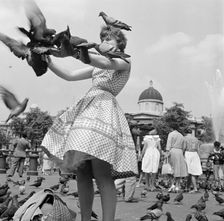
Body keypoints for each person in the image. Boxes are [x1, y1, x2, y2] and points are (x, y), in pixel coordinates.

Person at [41, 25, 138, 221]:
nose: (104, 43)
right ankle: (85, 218)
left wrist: (75, 51)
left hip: (104, 111)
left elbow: (105, 63)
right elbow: (69, 75)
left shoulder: (124, 60)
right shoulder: (96, 66)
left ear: (120, 44)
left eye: (109, 40)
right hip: (87, 111)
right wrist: (47, 59)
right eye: (102, 39)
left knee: (102, 172)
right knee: (82, 170)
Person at [166, 123, 188, 192]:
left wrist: (167, 152)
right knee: (178, 169)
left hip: (173, 150)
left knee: (171, 168)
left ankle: (172, 184)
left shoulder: (171, 134)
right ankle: (178, 185)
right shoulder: (181, 135)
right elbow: (184, 147)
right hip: (180, 152)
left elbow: (168, 144)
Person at [184, 128, 202, 193]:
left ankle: (194, 188)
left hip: (188, 153)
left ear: (185, 132)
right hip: (195, 154)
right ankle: (188, 187)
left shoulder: (185, 138)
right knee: (193, 172)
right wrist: (199, 158)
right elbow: (198, 149)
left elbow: (184, 147)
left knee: (189, 172)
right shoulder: (196, 139)